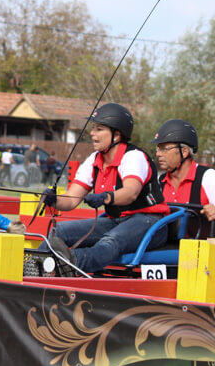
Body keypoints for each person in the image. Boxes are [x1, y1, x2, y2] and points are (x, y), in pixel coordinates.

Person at [41, 103, 170, 274]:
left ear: (116, 135)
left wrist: (105, 197)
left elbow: (130, 193)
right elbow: (71, 200)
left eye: (99, 129)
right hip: (116, 221)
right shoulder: (94, 160)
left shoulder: (133, 157)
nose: (92, 133)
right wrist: (54, 200)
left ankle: (67, 265)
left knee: (110, 241)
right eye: (93, 128)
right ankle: (35, 266)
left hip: (150, 222)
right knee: (61, 230)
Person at [152, 119, 215, 237]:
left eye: (164, 148)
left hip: (203, 247)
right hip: (168, 247)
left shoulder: (208, 178)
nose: (158, 154)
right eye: (158, 148)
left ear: (184, 151)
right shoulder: (159, 182)